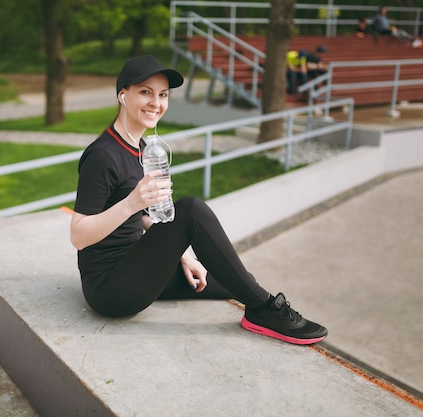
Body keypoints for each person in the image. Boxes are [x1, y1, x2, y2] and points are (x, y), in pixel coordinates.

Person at [69, 54, 328, 345]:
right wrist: (131, 201)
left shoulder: (141, 148)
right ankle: (267, 311)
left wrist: (181, 254)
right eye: (145, 92)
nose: (156, 102)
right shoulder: (103, 156)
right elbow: (78, 235)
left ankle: (260, 307)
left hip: (137, 264)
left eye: (163, 95)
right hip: (110, 290)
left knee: (235, 280)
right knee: (190, 209)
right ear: (123, 96)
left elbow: (139, 216)